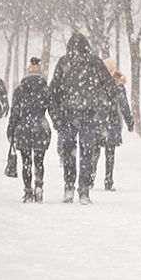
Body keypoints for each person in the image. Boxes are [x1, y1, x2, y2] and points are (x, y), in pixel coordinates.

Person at [49, 32, 119, 205]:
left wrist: (56, 117)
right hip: (87, 114)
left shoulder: (64, 62)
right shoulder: (94, 62)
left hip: (68, 114)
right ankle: (84, 190)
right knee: (86, 152)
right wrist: (106, 105)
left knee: (69, 152)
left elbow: (53, 92)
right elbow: (110, 87)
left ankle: (69, 187)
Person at [7, 57, 52, 203]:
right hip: (41, 127)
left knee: (26, 162)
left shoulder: (19, 90)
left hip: (24, 128)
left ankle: (27, 191)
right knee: (39, 161)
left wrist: (11, 130)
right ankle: (38, 186)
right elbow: (53, 110)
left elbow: (14, 113)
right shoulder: (46, 90)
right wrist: (60, 123)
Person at [90, 58, 134, 191]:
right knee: (108, 153)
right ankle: (107, 180)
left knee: (96, 152)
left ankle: (92, 178)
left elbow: (91, 102)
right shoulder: (117, 85)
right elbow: (124, 105)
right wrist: (129, 121)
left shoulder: (97, 83)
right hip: (110, 122)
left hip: (99, 122)